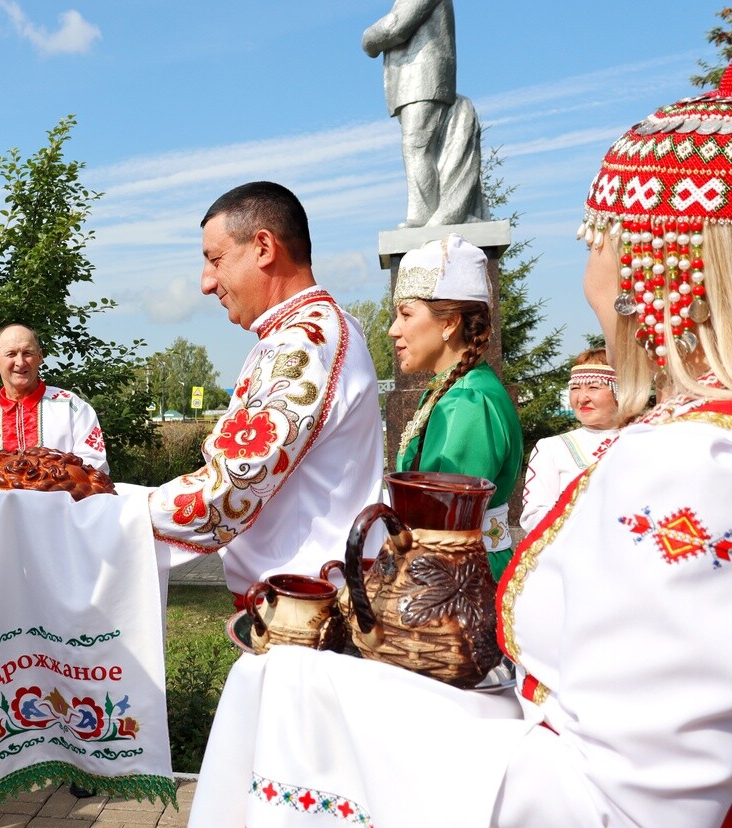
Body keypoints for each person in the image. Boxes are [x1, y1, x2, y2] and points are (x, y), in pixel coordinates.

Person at [186, 68, 732, 828]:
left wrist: (356, 703)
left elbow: (444, 559)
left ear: (655, 268)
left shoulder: (673, 458)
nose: (395, 329)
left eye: (597, 239)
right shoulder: (470, 399)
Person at [148, 181, 384, 605]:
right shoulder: (326, 328)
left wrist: (116, 513)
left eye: (215, 260)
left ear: (263, 247)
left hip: (305, 618)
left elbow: (232, 485)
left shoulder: (302, 343)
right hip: (312, 602)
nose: (206, 282)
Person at [387, 233, 523, 579]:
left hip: (459, 579)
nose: (393, 330)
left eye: (406, 314)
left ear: (449, 322)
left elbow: (442, 523)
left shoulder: (468, 401)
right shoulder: (453, 389)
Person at [361, 0, 486, 227]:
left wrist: (367, 39)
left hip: (423, 78)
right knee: (421, 148)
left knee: (416, 147)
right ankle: (431, 212)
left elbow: (395, 27)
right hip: (415, 81)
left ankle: (421, 217)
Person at [0, 322, 109, 487]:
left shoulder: (72, 406)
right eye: (11, 354)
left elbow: (94, 468)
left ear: (40, 356)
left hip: (60, 509)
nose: (20, 362)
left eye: (27, 353)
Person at [518, 349, 619, 531]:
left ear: (620, 390)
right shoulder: (552, 448)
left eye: (593, 387)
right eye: (575, 388)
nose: (582, 398)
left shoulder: (644, 442)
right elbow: (533, 517)